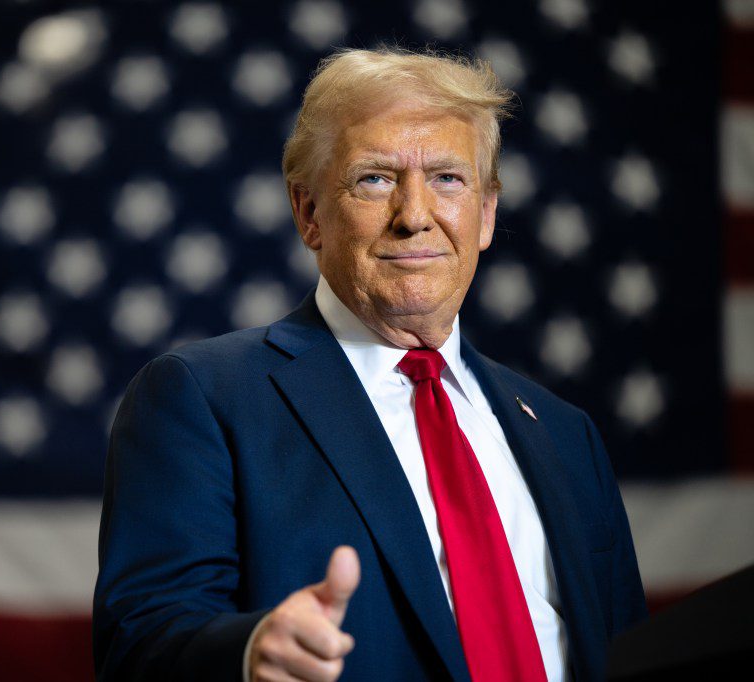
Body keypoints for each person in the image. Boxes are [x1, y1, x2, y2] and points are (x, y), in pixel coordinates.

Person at [93, 47, 647, 682]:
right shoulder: (202, 398)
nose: (415, 216)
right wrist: (248, 656)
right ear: (309, 213)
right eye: (376, 178)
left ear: (486, 212)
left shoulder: (565, 433)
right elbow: (140, 646)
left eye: (447, 178)